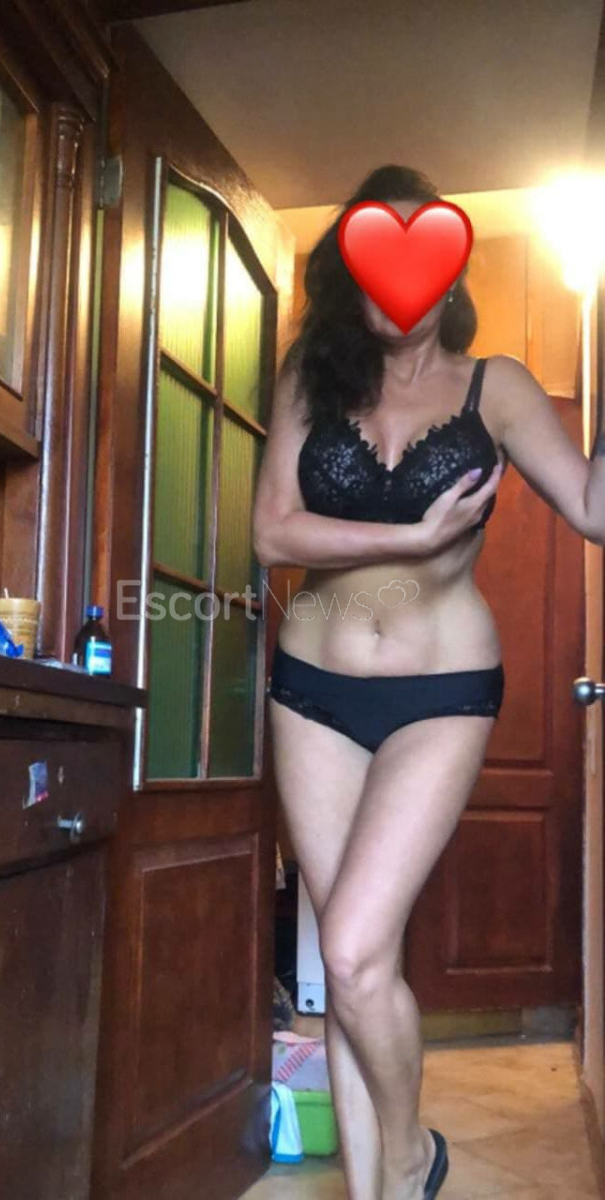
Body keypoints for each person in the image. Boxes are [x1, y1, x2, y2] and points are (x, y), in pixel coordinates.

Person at [251, 163, 605, 1200]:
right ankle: (384, 1190)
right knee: (348, 970)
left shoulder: (498, 385)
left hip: (439, 694)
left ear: (450, 274)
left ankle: (408, 1155)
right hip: (311, 692)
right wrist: (406, 536)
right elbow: (272, 532)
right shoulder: (311, 380)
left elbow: (592, 508)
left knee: (355, 948)